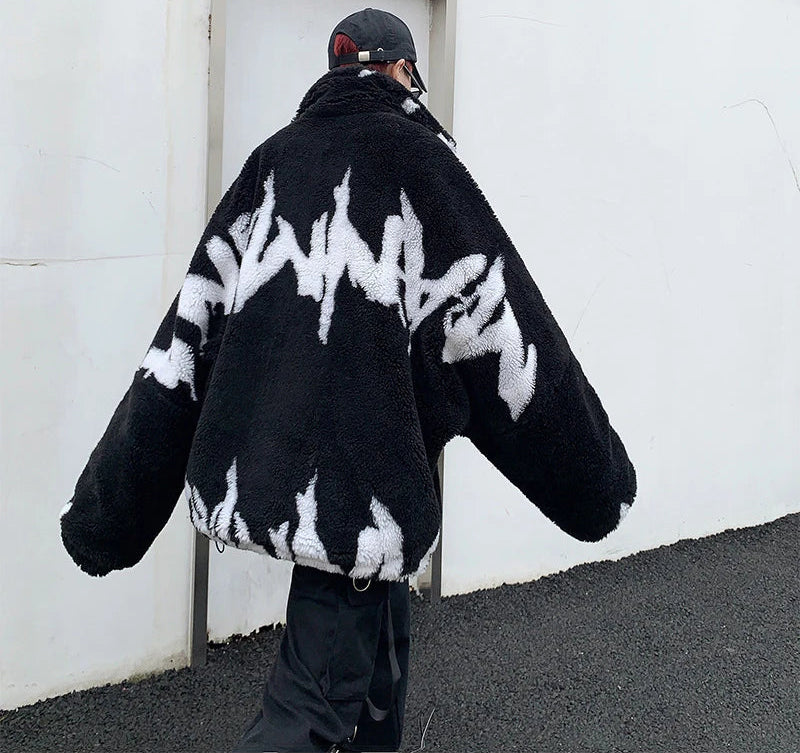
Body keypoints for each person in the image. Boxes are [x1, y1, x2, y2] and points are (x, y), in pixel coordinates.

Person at [59, 8, 637, 752]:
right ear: (401, 72)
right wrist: (594, 483)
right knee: (306, 711)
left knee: (375, 670)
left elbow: (184, 344)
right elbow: (506, 330)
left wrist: (107, 516)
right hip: (359, 495)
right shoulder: (420, 162)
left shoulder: (271, 163)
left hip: (290, 475)